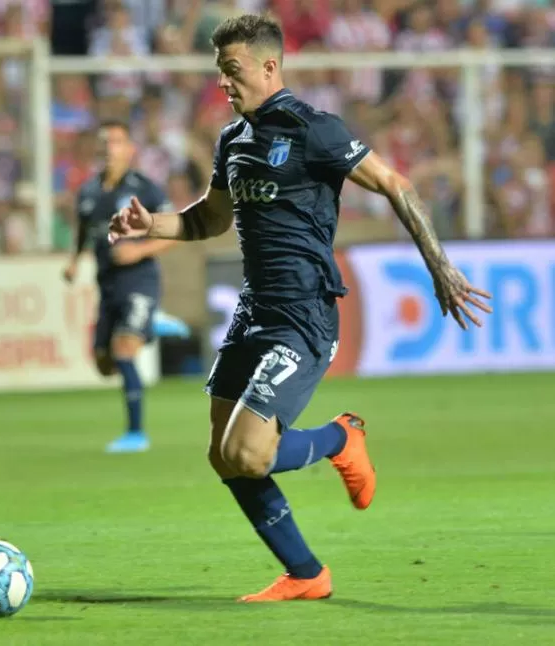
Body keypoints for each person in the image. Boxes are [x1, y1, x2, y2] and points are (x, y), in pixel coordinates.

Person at [109, 15, 493, 601]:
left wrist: (441, 266)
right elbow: (209, 220)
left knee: (248, 452)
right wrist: (151, 223)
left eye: (232, 71)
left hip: (305, 314)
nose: (223, 84)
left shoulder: (315, 130)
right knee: (223, 455)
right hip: (251, 312)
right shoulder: (232, 141)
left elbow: (396, 184)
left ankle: (341, 438)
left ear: (269, 67)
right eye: (219, 73)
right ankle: (306, 575)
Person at [63, 120, 176, 453]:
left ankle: (136, 433)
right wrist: (75, 260)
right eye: (103, 142)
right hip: (108, 285)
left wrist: (139, 250)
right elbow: (85, 231)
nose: (108, 148)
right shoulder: (87, 192)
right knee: (104, 364)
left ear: (130, 150)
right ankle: (150, 325)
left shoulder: (145, 188)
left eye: (115, 141)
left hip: (139, 280)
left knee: (125, 350)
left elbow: (174, 231)